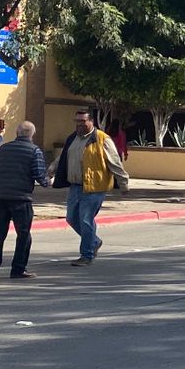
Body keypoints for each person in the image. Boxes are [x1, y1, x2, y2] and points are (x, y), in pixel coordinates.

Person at [50, 108, 129, 266]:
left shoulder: (102, 139)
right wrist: (51, 169)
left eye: (82, 121)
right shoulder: (72, 138)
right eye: (77, 121)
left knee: (85, 220)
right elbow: (63, 157)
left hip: (94, 187)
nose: (79, 125)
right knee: (72, 218)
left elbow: (115, 162)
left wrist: (123, 183)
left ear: (91, 121)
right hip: (75, 186)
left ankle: (86, 255)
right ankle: (94, 241)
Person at [0, 121, 50, 279]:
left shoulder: (3, 149)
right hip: (21, 198)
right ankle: (18, 268)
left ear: (17, 132)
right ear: (32, 134)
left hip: (0, 196)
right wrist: (49, 181)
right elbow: (40, 176)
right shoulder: (34, 151)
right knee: (23, 234)